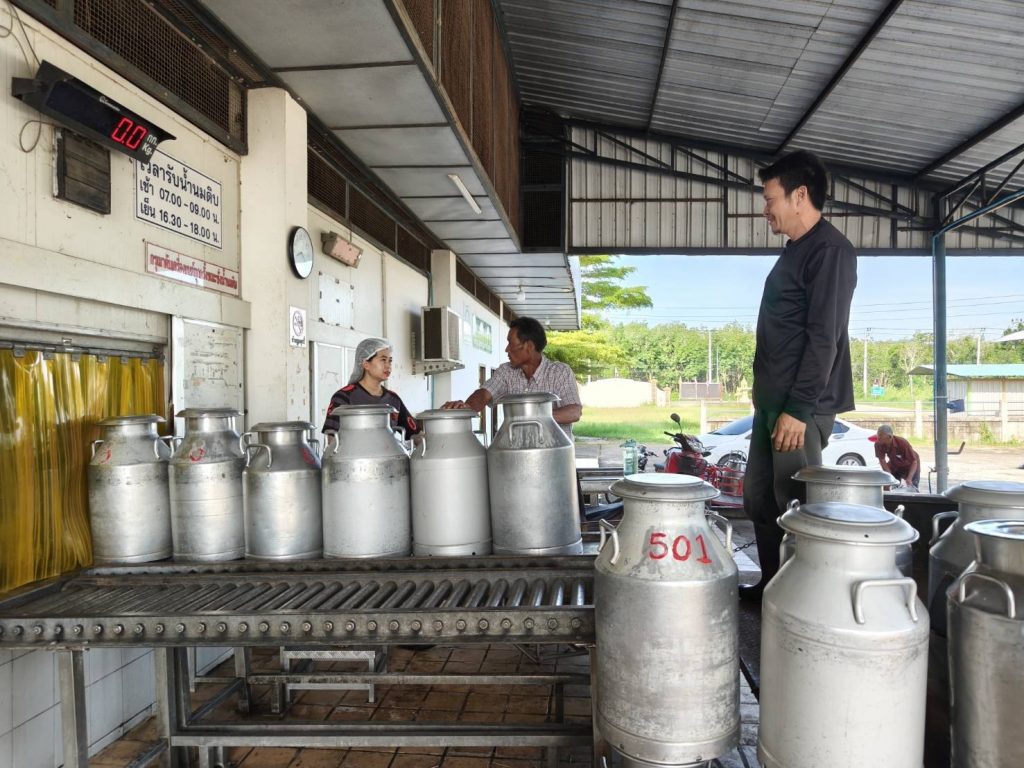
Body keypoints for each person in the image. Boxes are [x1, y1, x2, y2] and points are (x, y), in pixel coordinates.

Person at [741, 150, 858, 601]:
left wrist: (798, 408)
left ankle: (802, 602)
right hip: (773, 405)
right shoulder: (795, 251)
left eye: (770, 198)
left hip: (798, 408)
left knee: (795, 505)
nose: (765, 209)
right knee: (760, 499)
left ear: (799, 195)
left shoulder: (830, 251)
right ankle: (772, 588)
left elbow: (824, 338)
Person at [442, 316, 582, 437]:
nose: (506, 349)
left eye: (511, 343)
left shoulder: (559, 372)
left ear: (529, 346)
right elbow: (484, 394)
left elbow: (574, 412)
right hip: (516, 455)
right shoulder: (506, 371)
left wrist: (530, 416)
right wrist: (467, 407)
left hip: (555, 455)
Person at [322, 337, 420, 438]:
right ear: (366, 364)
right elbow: (331, 439)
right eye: (383, 360)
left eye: (390, 361)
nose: (388, 366)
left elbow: (415, 435)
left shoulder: (393, 399)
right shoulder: (344, 397)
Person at [875, 424, 920, 489]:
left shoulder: (902, 443)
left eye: (880, 435)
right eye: (878, 434)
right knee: (888, 483)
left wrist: (909, 478)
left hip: (911, 464)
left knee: (912, 485)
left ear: (889, 437)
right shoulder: (878, 444)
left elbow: (914, 461)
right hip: (895, 463)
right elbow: (882, 460)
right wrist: (889, 475)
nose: (878, 437)